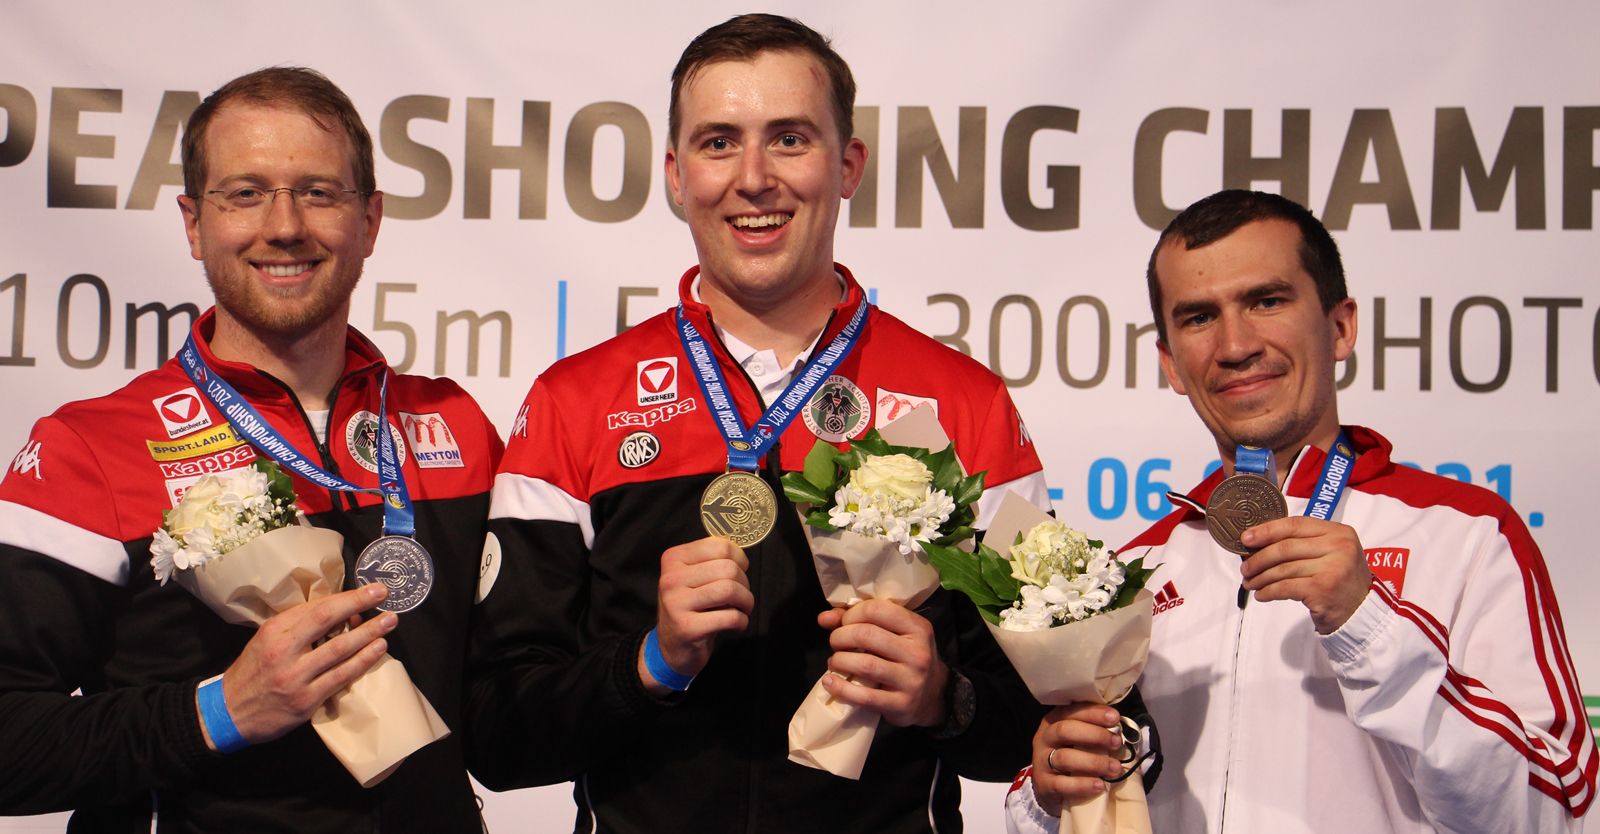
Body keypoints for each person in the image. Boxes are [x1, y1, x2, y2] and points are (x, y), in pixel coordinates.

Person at [466, 14, 1050, 833]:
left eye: (789, 139)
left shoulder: (966, 404)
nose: (753, 178)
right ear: (675, 174)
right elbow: (499, 736)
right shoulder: (576, 400)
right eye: (717, 142)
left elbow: (1041, 725)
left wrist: (940, 699)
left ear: (848, 166)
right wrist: (650, 664)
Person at [0, 67, 501, 832]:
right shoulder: (88, 449)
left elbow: (518, 696)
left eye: (318, 192)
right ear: (195, 222)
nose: (285, 224)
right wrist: (219, 712)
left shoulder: (454, 425)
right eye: (245, 193)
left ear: (369, 220)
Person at [1005, 189, 1597, 833]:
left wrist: (1370, 627)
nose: (1236, 345)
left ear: (1340, 327)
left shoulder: (1467, 534)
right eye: (1199, 317)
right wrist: (1046, 795)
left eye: (1266, 301)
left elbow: (1557, 812)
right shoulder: (1134, 572)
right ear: (1171, 363)